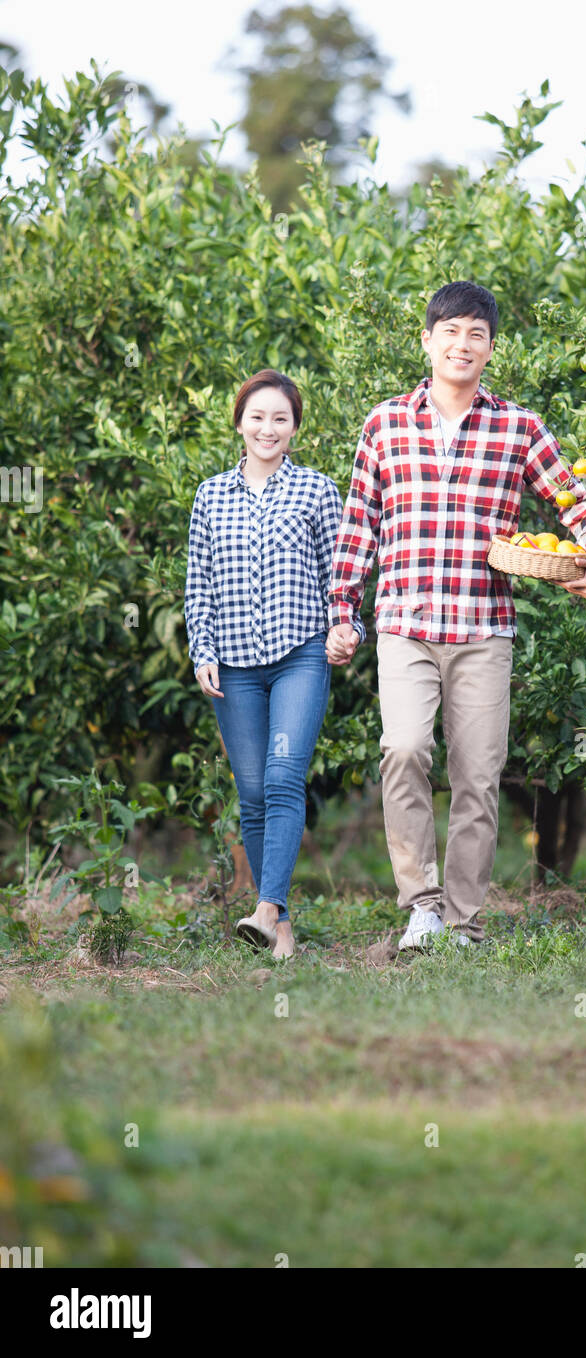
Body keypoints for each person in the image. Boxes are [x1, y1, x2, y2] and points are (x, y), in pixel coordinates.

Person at [326, 281, 586, 951]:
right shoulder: (385, 423)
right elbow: (359, 524)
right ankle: (421, 904)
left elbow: (571, 499)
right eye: (450, 331)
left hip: (484, 628)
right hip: (405, 621)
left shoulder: (518, 426)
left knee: (479, 777)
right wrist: (344, 610)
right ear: (426, 341)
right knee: (402, 751)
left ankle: (463, 921)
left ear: (490, 350)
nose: (462, 344)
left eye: (476, 335)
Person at [184, 369, 343, 960]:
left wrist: (343, 629)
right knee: (251, 791)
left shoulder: (318, 491)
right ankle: (279, 926)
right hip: (233, 662)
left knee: (281, 778)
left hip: (300, 652)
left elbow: (339, 574)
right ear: (239, 422)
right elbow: (197, 580)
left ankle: (267, 906)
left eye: (280, 418)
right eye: (258, 416)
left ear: (295, 427)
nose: (268, 428)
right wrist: (202, 650)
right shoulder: (210, 495)